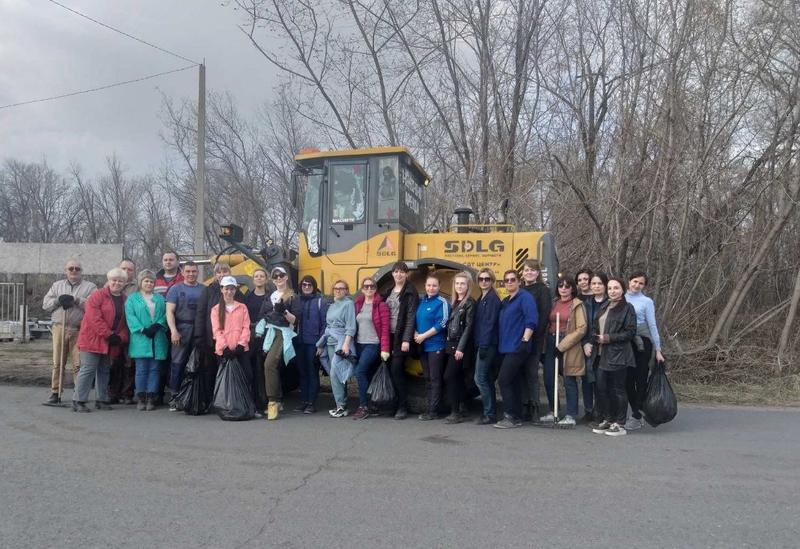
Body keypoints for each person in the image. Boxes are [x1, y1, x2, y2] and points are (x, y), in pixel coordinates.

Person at [72, 268, 129, 412]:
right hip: (92, 339)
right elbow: (94, 318)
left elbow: (125, 322)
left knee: (104, 370)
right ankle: (78, 400)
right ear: (108, 280)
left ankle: (101, 399)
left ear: (125, 283)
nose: (117, 283)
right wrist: (108, 334)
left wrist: (120, 337)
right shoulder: (97, 295)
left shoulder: (125, 299)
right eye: (114, 280)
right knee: (88, 369)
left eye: (120, 281)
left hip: (111, 341)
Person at [42, 259, 96, 405]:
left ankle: (78, 394)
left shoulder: (90, 287)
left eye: (77, 269)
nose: (74, 271)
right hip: (59, 328)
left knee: (79, 364)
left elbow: (93, 306)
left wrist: (76, 300)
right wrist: (58, 301)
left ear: (81, 271)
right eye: (71, 268)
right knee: (58, 362)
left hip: (79, 329)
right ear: (66, 270)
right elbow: (45, 305)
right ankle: (55, 392)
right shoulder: (57, 286)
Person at [194, 263, 244, 411]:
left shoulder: (237, 293)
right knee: (211, 371)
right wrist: (199, 336)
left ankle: (230, 401)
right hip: (211, 339)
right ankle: (211, 400)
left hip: (232, 342)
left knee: (231, 371)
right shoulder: (208, 291)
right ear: (215, 275)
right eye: (218, 272)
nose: (221, 274)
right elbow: (200, 313)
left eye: (225, 271)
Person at [590, 277, 636, 437]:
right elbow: (595, 326)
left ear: (623, 290)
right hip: (601, 354)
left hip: (618, 355)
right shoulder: (605, 306)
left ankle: (620, 423)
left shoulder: (627, 308)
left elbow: (630, 332)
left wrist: (609, 338)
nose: (612, 291)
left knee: (618, 389)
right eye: (610, 288)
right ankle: (608, 419)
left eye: (616, 288)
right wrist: (593, 338)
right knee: (602, 388)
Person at [254, 266, 300, 420]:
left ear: (286, 277)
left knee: (270, 364)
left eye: (281, 275)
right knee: (269, 366)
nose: (279, 278)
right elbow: (262, 315)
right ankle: (278, 400)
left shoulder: (292, 296)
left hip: (283, 333)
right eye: (275, 276)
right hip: (268, 333)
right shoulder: (270, 296)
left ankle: (272, 402)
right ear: (272, 280)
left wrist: (284, 311)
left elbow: (296, 321)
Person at [494, 270, 538, 429]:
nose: (509, 282)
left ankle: (510, 415)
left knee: (503, 379)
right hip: (505, 347)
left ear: (519, 281)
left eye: (513, 279)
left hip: (518, 346)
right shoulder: (506, 301)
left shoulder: (525, 297)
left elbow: (531, 320)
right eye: (506, 280)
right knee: (513, 381)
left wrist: (525, 340)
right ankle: (517, 415)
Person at [624, 271, 666, 431]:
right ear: (629, 281)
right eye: (635, 281)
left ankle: (636, 415)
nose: (637, 285)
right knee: (627, 379)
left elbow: (652, 325)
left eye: (641, 283)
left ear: (644, 286)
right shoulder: (621, 297)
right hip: (626, 342)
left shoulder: (646, 302)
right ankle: (638, 411)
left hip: (643, 342)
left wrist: (658, 349)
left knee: (640, 378)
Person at [125, 270, 169, 411]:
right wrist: (142, 329)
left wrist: (158, 325)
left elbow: (166, 314)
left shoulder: (160, 299)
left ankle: (151, 397)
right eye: (146, 281)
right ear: (140, 282)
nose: (149, 284)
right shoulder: (132, 299)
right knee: (141, 369)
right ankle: (141, 397)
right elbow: (130, 316)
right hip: (141, 338)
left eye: (151, 281)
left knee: (155, 369)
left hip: (157, 337)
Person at [549, 276, 588, 427]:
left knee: (569, 379)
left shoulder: (577, 304)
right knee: (550, 377)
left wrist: (562, 346)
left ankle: (571, 414)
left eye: (567, 286)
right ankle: (553, 411)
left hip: (568, 343)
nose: (563, 289)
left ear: (572, 288)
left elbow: (581, 329)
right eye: (561, 286)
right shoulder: (554, 303)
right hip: (552, 340)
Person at [381, 261, 418, 420]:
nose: (399, 274)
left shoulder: (410, 291)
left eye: (402, 272)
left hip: (400, 337)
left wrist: (406, 339)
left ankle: (403, 406)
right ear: (392, 274)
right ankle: (392, 403)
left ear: (406, 274)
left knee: (396, 370)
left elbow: (411, 317)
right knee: (389, 370)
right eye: (396, 271)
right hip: (387, 336)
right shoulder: (388, 291)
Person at [165, 261, 204, 411]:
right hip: (181, 329)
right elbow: (169, 312)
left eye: (194, 271)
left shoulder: (203, 289)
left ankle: (195, 396)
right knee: (178, 363)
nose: (191, 274)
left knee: (198, 363)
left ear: (197, 272)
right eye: (188, 271)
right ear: (182, 272)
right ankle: (175, 396)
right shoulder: (175, 289)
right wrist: (174, 330)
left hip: (199, 330)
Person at [351, 277, 391, 420]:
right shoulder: (358, 304)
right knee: (367, 374)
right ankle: (373, 405)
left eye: (372, 286)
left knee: (359, 371)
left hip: (373, 344)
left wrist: (385, 349)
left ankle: (363, 406)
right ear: (362, 289)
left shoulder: (381, 305)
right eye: (366, 286)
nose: (369, 289)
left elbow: (385, 329)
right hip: (359, 344)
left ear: (375, 289)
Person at [414, 274, 450, 421]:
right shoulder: (422, 302)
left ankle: (434, 411)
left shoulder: (442, 302)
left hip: (436, 345)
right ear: (425, 286)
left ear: (439, 287)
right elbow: (417, 320)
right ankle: (429, 407)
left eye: (434, 285)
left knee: (435, 378)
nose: (431, 288)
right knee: (428, 378)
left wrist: (423, 336)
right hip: (423, 345)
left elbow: (442, 323)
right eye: (429, 285)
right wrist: (416, 333)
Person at [443, 272, 476, 424]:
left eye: (463, 283)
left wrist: (460, 348)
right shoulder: (455, 302)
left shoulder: (469, 303)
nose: (459, 286)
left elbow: (468, 327)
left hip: (460, 346)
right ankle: (462, 407)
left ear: (468, 286)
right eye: (457, 283)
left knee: (449, 376)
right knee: (458, 377)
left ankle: (455, 412)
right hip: (451, 344)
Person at [320, 280, 356, 418]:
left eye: (341, 288)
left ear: (346, 290)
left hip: (341, 341)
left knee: (335, 373)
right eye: (336, 288)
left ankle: (341, 406)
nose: (338, 290)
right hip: (330, 342)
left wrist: (346, 344)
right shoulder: (332, 305)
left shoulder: (348, 304)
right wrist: (321, 344)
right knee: (337, 373)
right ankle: (342, 406)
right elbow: (328, 326)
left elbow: (351, 326)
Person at [521, 260, 551, 421]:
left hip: (535, 339)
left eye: (532, 270)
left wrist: (533, 335)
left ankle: (534, 407)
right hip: (519, 338)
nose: (529, 273)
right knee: (521, 372)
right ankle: (524, 404)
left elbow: (544, 315)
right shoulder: (520, 289)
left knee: (532, 373)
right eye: (526, 270)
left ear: (538, 273)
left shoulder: (543, 290)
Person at [294, 275, 328, 414]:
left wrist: (321, 344)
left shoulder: (320, 301)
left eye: (309, 285)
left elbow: (325, 324)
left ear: (314, 286)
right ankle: (303, 401)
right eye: (304, 285)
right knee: (302, 372)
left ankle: (311, 403)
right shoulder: (296, 300)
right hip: (299, 341)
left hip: (313, 343)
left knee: (312, 371)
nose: (307, 287)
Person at [473, 268, 501, 425]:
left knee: (479, 378)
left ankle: (489, 413)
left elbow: (489, 324)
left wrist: (483, 345)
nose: (484, 282)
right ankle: (491, 412)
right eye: (481, 279)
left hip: (488, 344)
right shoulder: (482, 297)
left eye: (487, 279)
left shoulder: (492, 299)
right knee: (487, 378)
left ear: (492, 281)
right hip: (483, 343)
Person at [108, 258, 137, 405]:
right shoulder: (110, 284)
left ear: (133, 271)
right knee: (113, 363)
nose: (126, 271)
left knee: (129, 363)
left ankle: (127, 394)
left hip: (131, 330)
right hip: (113, 331)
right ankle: (112, 393)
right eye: (123, 268)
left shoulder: (138, 287)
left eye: (129, 269)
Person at [243, 268, 270, 416]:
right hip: (251, 337)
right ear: (253, 280)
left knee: (264, 370)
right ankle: (253, 402)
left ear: (266, 279)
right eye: (256, 276)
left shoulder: (271, 297)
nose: (259, 278)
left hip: (266, 336)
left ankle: (265, 402)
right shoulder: (247, 297)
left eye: (262, 276)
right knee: (252, 370)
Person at [582, 272, 608, 423]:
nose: (596, 286)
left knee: (601, 381)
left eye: (599, 284)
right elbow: (583, 326)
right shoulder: (586, 303)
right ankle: (588, 411)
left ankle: (601, 412)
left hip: (603, 347)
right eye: (594, 284)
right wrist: (585, 343)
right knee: (587, 379)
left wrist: (593, 341)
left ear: (605, 285)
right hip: (587, 346)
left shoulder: (610, 303)